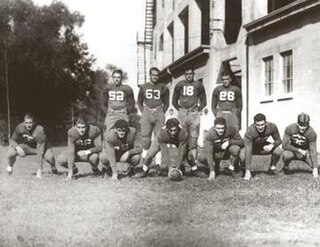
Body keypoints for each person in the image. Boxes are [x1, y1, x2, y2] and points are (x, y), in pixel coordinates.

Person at [134, 118, 207, 178]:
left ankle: (194, 170)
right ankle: (144, 170)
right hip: (164, 139)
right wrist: (170, 168)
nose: (173, 132)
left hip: (178, 140)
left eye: (175, 130)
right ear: (167, 129)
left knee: (189, 154)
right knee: (150, 154)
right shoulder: (162, 133)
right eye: (171, 130)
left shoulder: (183, 133)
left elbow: (181, 152)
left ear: (178, 128)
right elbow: (164, 152)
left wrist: (177, 168)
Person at [172, 67, 207, 172]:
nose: (189, 75)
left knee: (193, 139)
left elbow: (204, 101)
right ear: (184, 74)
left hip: (193, 113)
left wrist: (197, 110)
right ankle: (182, 163)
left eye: (191, 73)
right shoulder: (179, 85)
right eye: (187, 73)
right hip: (182, 113)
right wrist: (180, 109)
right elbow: (174, 100)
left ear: (194, 74)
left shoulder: (198, 85)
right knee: (182, 138)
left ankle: (193, 166)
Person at [6, 113, 57, 178]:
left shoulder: (39, 130)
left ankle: (54, 168)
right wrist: (18, 148)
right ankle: (9, 168)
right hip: (28, 147)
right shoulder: (20, 127)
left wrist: (39, 171)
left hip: (41, 147)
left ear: (34, 123)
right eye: (26, 123)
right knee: (11, 152)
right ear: (24, 122)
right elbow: (12, 140)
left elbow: (40, 151)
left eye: (30, 123)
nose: (28, 125)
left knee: (50, 157)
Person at [137, 67, 169, 164]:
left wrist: (161, 112)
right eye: (153, 75)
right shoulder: (143, 87)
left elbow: (166, 103)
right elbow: (139, 102)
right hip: (147, 111)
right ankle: (145, 162)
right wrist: (144, 111)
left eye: (157, 75)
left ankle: (158, 164)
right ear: (150, 75)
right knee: (145, 138)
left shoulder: (163, 87)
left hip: (159, 112)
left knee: (159, 138)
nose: (155, 77)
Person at [240, 113, 282, 180]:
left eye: (262, 125)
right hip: (252, 147)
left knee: (278, 151)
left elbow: (279, 140)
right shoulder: (250, 131)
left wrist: (272, 145)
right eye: (258, 125)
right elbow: (248, 150)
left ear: (266, 123)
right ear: (254, 124)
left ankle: (272, 167)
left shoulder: (272, 127)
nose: (260, 127)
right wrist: (248, 171)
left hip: (263, 146)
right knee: (242, 155)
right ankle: (243, 169)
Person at [57, 115, 102, 180]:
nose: (81, 130)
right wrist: (70, 172)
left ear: (87, 126)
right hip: (76, 154)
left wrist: (86, 152)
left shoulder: (94, 130)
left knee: (94, 158)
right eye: (79, 127)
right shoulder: (72, 132)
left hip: (89, 154)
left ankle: (94, 168)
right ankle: (74, 169)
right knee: (61, 159)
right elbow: (71, 152)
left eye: (83, 127)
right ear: (75, 126)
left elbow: (99, 147)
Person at [282, 113, 318, 178]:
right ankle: (286, 166)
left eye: (305, 125)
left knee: (317, 165)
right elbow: (284, 145)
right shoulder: (290, 128)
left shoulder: (312, 133)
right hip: (292, 151)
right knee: (286, 154)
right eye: (300, 125)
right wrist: (298, 150)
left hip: (305, 153)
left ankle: (314, 168)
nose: (302, 127)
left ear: (308, 125)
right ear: (297, 123)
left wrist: (315, 168)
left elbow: (313, 150)